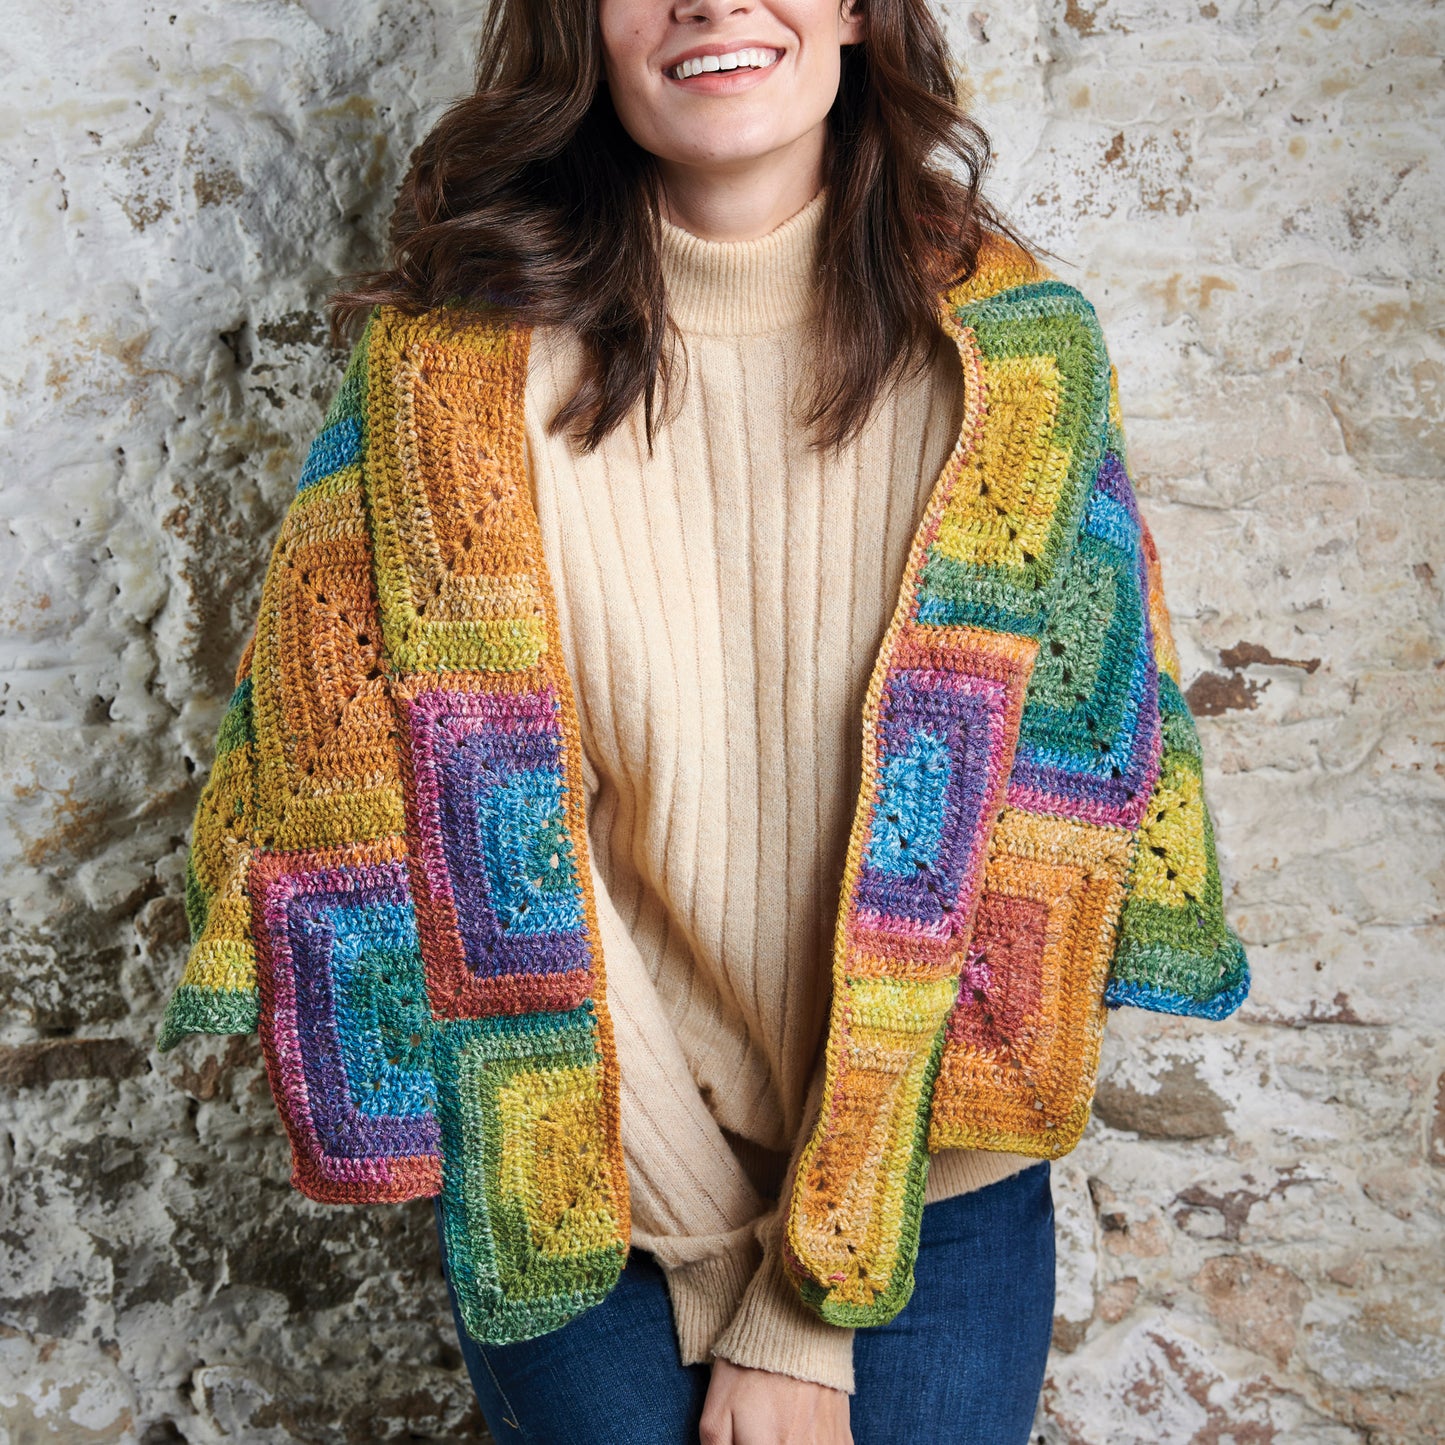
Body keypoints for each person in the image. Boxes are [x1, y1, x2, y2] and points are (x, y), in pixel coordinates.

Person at [157, 0, 1249, 1441]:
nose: (714, 4)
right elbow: (456, 854)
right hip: (579, 1158)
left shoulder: (1014, 368)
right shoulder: (446, 381)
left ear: (858, 13)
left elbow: (1040, 847)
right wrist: (711, 1251)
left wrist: (801, 1311)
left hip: (936, 1169)